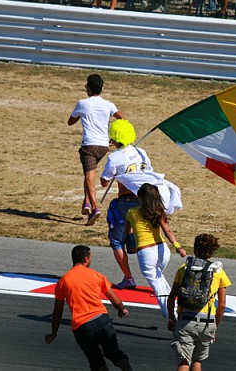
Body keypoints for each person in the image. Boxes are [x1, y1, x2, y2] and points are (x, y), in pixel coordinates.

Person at [45, 245, 133, 371]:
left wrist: (54, 333)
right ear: (86, 259)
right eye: (91, 257)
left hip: (82, 327)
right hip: (102, 320)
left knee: (96, 362)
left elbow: (57, 311)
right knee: (114, 353)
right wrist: (121, 309)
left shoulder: (63, 281)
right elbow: (115, 299)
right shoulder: (96, 275)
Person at [100, 119, 153, 289]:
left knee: (116, 241)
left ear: (114, 138)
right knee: (143, 238)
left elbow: (104, 181)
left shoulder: (114, 157)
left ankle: (128, 277)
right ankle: (152, 272)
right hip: (144, 201)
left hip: (126, 202)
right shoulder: (142, 152)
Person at [167, 233, 231, 371]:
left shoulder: (184, 268)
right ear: (212, 251)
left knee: (184, 361)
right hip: (207, 322)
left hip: (185, 320)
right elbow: (222, 305)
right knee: (197, 360)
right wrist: (215, 326)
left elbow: (172, 296)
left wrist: (172, 318)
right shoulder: (219, 272)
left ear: (195, 250)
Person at [68, 74, 124, 226]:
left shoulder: (82, 103)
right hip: (103, 146)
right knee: (89, 174)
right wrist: (115, 137)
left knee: (89, 178)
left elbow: (70, 122)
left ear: (89, 88)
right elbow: (122, 119)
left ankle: (94, 208)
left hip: (89, 146)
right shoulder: (108, 104)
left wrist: (81, 114)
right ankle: (86, 203)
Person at [125, 183, 187, 318]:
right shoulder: (158, 212)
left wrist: (131, 243)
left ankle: (172, 317)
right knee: (161, 281)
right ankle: (176, 308)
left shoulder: (131, 212)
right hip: (163, 251)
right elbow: (167, 231)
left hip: (146, 253)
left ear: (140, 198)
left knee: (158, 288)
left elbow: (127, 232)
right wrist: (178, 247)